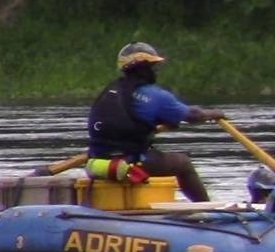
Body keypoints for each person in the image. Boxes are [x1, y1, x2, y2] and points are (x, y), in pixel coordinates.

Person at [86, 42, 225, 201]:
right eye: (153, 66)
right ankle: (205, 210)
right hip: (131, 162)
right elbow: (193, 115)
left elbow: (129, 119)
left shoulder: (111, 90)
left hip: (98, 161)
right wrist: (215, 113)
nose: (156, 70)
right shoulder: (155, 96)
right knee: (183, 163)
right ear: (144, 68)